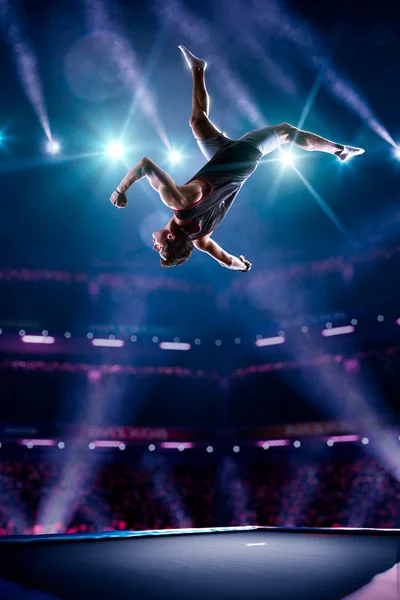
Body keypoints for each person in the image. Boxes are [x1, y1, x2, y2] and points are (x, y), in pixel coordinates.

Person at [110, 46, 365, 271]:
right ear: (172, 239)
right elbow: (145, 164)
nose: (154, 246)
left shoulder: (200, 239)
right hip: (240, 160)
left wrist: (242, 265)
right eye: (160, 249)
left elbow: (224, 259)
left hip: (220, 160)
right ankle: (339, 151)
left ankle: (198, 69)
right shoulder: (179, 201)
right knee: (285, 131)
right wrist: (121, 190)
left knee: (197, 121)